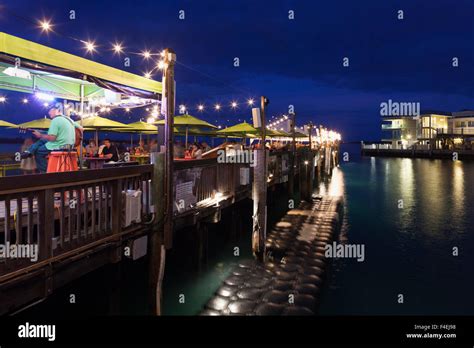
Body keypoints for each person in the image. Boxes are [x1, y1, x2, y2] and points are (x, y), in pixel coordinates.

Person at [21, 104, 82, 173]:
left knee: (38, 152)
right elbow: (81, 129)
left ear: (57, 110)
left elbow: (52, 138)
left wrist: (40, 135)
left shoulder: (55, 120)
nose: (49, 113)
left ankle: (47, 172)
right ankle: (29, 151)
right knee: (42, 140)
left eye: (51, 110)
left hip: (59, 145)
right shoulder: (68, 119)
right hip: (70, 145)